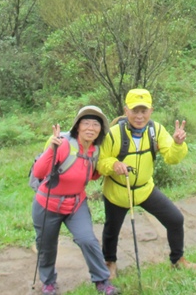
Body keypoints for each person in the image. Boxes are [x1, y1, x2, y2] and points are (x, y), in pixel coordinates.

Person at [98, 88, 196, 277]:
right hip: (118, 191)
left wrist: (177, 144)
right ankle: (110, 262)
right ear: (126, 110)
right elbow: (101, 162)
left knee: (175, 219)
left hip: (145, 188)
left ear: (151, 111)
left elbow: (171, 158)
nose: (139, 116)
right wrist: (114, 164)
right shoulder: (113, 134)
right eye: (135, 111)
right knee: (111, 230)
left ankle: (178, 259)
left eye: (144, 111)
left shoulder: (156, 130)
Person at [31, 105, 120, 295]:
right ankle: (48, 283)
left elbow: (93, 175)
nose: (90, 128)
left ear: (100, 129)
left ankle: (102, 281)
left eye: (95, 124)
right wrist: (51, 149)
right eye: (85, 123)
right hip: (48, 204)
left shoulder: (96, 150)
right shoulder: (63, 144)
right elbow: (38, 172)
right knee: (46, 246)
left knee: (87, 240)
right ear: (77, 126)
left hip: (75, 204)